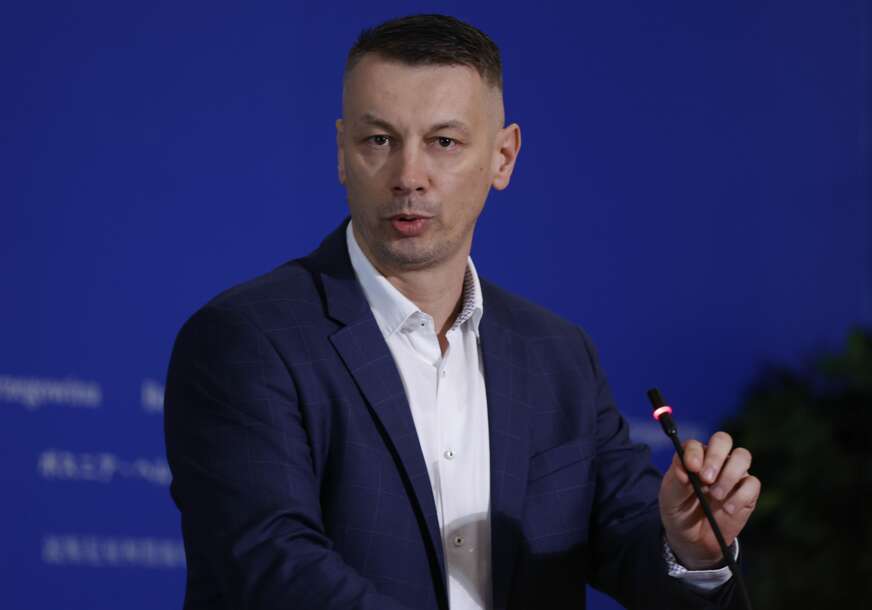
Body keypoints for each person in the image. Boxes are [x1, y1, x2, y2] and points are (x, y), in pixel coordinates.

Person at [164, 14, 760, 610]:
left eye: (443, 142)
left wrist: (692, 551)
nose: (408, 176)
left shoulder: (559, 355)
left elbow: (628, 537)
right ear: (343, 153)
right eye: (379, 141)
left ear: (503, 157)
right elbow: (273, 568)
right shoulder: (246, 339)